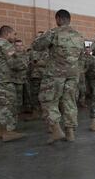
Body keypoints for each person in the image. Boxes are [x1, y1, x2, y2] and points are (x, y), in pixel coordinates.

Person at [32, 10, 85, 144]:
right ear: (69, 20)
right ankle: (70, 132)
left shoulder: (53, 33)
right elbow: (82, 56)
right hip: (73, 74)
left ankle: (56, 130)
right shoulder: (79, 36)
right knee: (69, 101)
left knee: (48, 100)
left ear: (58, 19)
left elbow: (36, 46)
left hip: (55, 74)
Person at [0, 26, 28, 142]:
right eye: (13, 34)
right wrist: (24, 64)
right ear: (7, 33)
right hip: (4, 81)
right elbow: (14, 63)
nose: (14, 37)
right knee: (8, 106)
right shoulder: (5, 45)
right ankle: (8, 132)